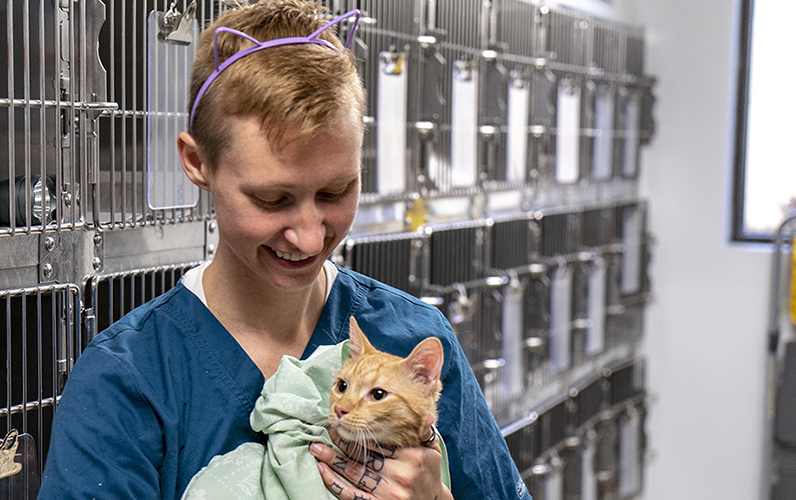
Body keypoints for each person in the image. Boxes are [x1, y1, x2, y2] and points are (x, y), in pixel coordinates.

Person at [39, 1, 529, 499]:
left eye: (336, 192)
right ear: (196, 162)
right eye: (272, 199)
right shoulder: (129, 380)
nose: (310, 237)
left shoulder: (410, 335)